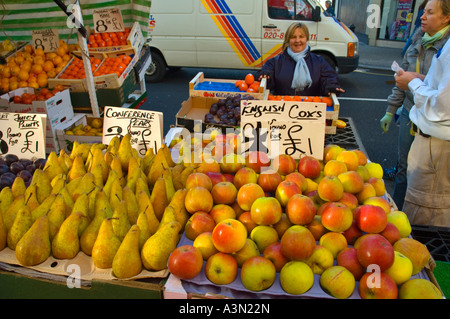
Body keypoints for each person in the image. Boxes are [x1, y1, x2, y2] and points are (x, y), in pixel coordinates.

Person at [380, 0, 450, 210]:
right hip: (412, 114)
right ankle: (398, 209)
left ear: (446, 17)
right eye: (423, 12)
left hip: (433, 128)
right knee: (403, 169)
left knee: (424, 183)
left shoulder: (445, 48)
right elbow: (402, 80)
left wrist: (414, 81)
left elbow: (441, 98)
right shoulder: (416, 41)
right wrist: (390, 112)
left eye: (430, 12)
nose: (422, 17)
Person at [257, 22, 345, 97]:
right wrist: (265, 77)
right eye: (293, 37)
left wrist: (331, 86)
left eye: (301, 36)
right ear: (288, 40)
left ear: (306, 38)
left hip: (310, 112)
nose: (297, 40)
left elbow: (329, 77)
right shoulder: (275, 62)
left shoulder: (318, 61)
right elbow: (265, 74)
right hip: (282, 110)